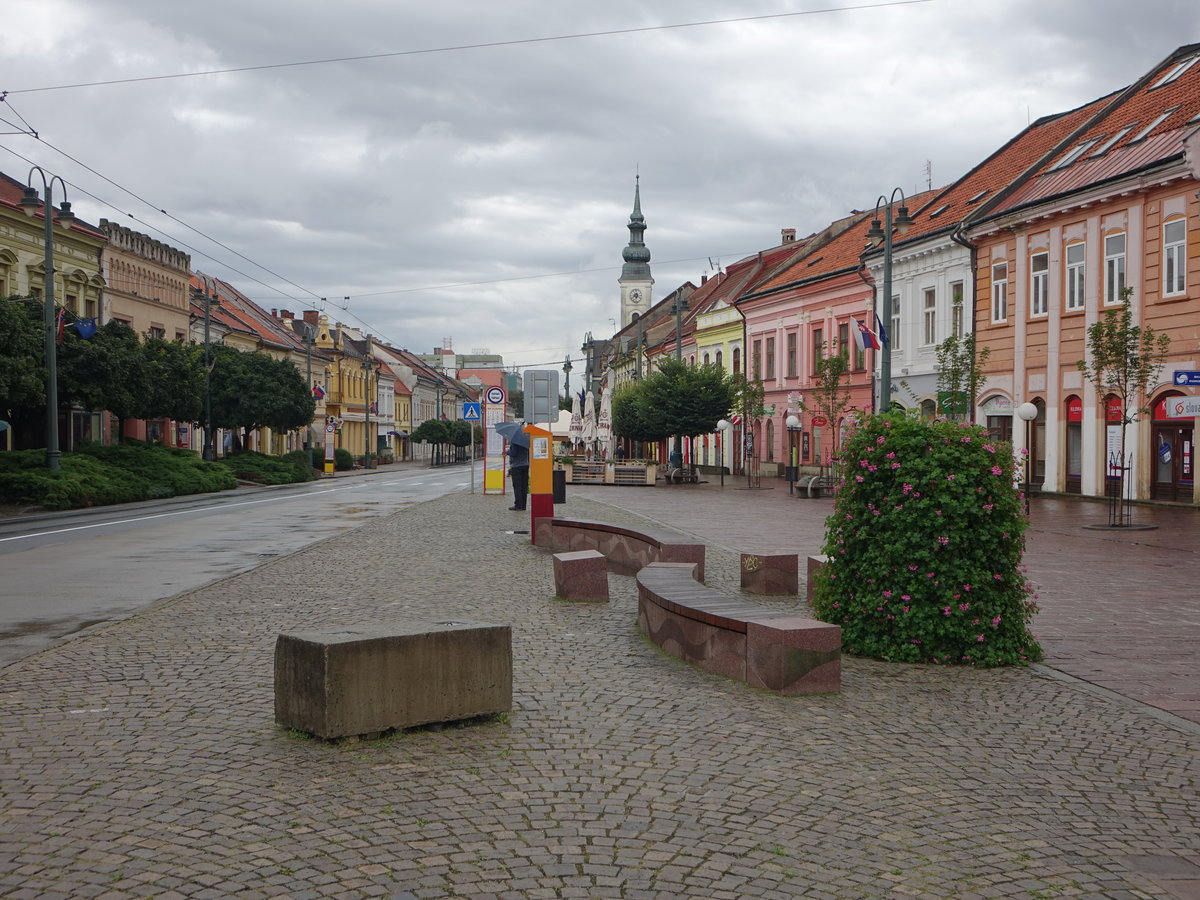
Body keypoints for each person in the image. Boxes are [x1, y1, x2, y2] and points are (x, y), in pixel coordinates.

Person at [508, 439, 529, 510]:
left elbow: (514, 453)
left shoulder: (514, 440)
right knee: (524, 486)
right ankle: (523, 505)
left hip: (517, 466)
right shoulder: (525, 440)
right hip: (525, 465)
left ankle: (518, 505)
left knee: (517, 487)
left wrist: (507, 452)